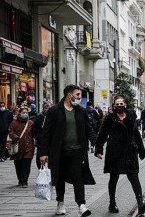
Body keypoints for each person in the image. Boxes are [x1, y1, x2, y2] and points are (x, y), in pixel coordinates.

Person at [40, 84, 96, 216]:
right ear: (69, 95)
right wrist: (43, 153)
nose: (79, 98)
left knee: (78, 178)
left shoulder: (81, 111)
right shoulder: (54, 111)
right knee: (60, 179)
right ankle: (60, 203)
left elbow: (89, 129)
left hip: (77, 151)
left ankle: (81, 205)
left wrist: (97, 144)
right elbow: (46, 133)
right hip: (59, 152)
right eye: (77, 95)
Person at [95, 96, 145, 215]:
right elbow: (102, 134)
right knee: (114, 178)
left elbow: (136, 134)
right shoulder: (109, 119)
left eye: (121, 103)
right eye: (117, 104)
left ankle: (140, 203)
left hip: (130, 152)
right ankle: (112, 203)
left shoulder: (131, 117)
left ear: (125, 104)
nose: (119, 106)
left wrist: (141, 151)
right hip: (115, 151)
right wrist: (98, 149)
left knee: (134, 177)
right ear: (114, 106)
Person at [8, 106, 34, 187]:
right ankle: (20, 179)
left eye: (26, 113)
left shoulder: (30, 123)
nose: (25, 114)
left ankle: (25, 181)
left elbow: (35, 132)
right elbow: (10, 131)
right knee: (18, 165)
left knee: (26, 165)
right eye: (23, 113)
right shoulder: (14, 123)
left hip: (29, 147)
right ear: (19, 113)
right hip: (17, 147)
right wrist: (15, 137)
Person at [32, 103, 51, 169]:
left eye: (48, 108)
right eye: (46, 108)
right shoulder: (39, 117)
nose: (47, 109)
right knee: (39, 159)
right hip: (41, 143)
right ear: (43, 108)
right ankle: (41, 169)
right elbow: (34, 130)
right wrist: (39, 137)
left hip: (51, 143)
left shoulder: (54, 117)